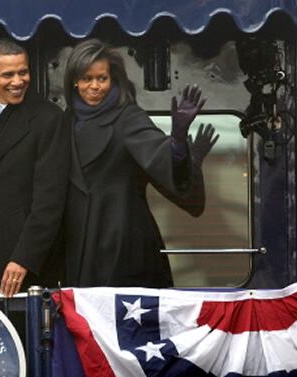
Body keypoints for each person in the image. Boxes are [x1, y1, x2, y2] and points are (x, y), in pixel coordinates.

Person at [62, 38, 211, 288]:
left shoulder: (127, 117)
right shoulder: (64, 121)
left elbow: (156, 154)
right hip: (77, 246)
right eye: (87, 79)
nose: (95, 86)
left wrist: (177, 141)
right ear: (75, 81)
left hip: (121, 246)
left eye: (102, 78)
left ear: (113, 80)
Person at [0, 38, 70, 297]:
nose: (17, 81)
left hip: (21, 261)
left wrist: (24, 258)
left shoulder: (49, 119)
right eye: (8, 74)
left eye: (23, 72)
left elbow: (50, 201)